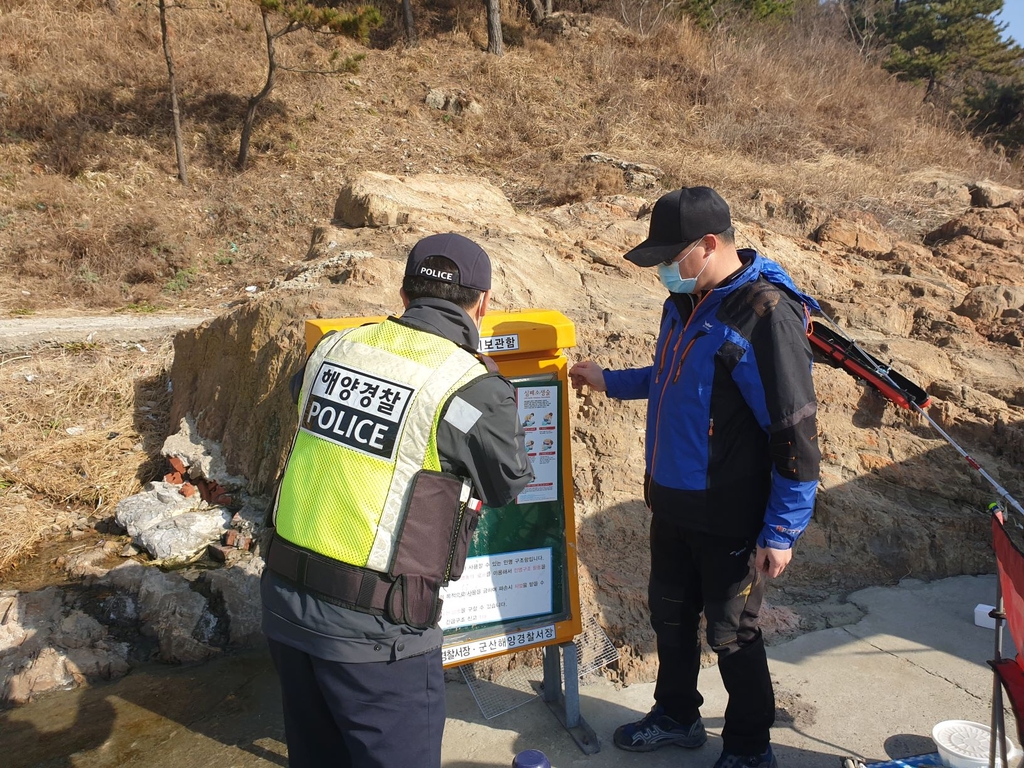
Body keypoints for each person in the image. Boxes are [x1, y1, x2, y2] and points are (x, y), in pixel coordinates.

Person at [261, 232, 534, 768]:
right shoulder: (468, 385)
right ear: (483, 305)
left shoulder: (335, 348)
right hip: (377, 637)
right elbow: (506, 482)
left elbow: (306, 400)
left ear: (404, 294)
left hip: (285, 607)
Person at [569, 187, 820, 768]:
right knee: (671, 618)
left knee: (733, 637)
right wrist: (611, 380)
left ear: (709, 245)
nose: (661, 270)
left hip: (731, 513)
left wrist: (781, 530)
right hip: (673, 504)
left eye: (668, 257)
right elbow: (671, 376)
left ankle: (751, 748)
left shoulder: (765, 314)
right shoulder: (684, 303)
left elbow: (795, 433)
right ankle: (677, 715)